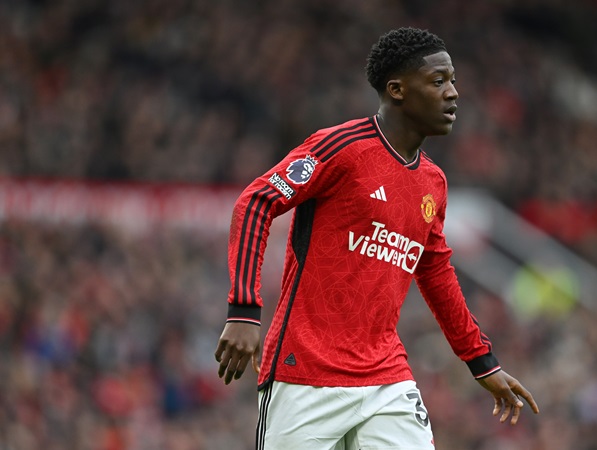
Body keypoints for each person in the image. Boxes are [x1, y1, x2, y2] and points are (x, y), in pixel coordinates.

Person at [215, 26, 539, 449]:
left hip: (385, 378)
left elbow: (436, 273)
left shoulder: (433, 182)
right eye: (439, 81)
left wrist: (482, 363)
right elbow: (256, 203)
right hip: (304, 372)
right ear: (397, 90)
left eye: (454, 81)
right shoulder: (341, 148)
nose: (454, 93)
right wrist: (244, 310)